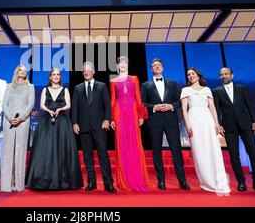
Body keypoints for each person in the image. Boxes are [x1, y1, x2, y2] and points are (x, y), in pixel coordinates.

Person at [26, 68, 83, 190]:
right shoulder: (45, 90)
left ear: (60, 77)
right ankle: (44, 180)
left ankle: (63, 180)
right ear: (50, 77)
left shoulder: (65, 90)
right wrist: (48, 110)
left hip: (62, 122)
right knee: (45, 150)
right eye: (54, 75)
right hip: (47, 122)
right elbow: (41, 105)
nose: (56, 76)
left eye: (58, 75)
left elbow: (69, 105)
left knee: (61, 149)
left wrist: (60, 109)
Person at [213, 67, 255, 193]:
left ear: (232, 75)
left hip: (246, 124)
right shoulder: (216, 91)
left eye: (226, 74)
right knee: (234, 155)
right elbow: (216, 110)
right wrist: (219, 124)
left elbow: (249, 105)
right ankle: (241, 182)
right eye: (221, 74)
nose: (223, 76)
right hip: (229, 126)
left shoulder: (242, 88)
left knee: (253, 152)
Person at [141, 58, 190, 191]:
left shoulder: (172, 83)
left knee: (176, 151)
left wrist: (171, 106)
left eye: (159, 65)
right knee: (156, 152)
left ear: (162, 68)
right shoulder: (146, 85)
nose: (157, 67)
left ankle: (182, 180)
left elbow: (178, 101)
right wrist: (155, 107)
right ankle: (161, 181)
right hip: (154, 121)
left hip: (171, 120)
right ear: (151, 69)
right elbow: (142, 103)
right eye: (154, 66)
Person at [180, 68, 230, 194]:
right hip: (193, 120)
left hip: (207, 119)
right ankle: (205, 182)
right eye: (188, 75)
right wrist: (188, 125)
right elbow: (184, 110)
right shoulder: (185, 90)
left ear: (198, 75)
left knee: (212, 149)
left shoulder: (207, 89)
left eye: (193, 74)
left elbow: (212, 107)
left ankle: (217, 181)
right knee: (199, 151)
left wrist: (216, 123)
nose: (191, 76)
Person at [72, 62, 117, 193]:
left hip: (100, 126)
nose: (86, 72)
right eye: (84, 70)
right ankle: (91, 182)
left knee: (103, 155)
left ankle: (108, 183)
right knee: (87, 156)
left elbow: (107, 105)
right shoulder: (78, 88)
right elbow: (74, 108)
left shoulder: (102, 86)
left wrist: (107, 120)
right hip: (84, 127)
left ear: (93, 71)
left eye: (88, 70)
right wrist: (74, 123)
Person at [110, 56, 151, 192]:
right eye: (120, 63)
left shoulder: (134, 78)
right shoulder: (113, 80)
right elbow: (112, 101)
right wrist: (111, 118)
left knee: (134, 143)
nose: (122, 65)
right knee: (122, 144)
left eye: (124, 62)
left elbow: (138, 97)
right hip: (119, 112)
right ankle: (124, 179)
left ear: (128, 65)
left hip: (133, 112)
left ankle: (137, 177)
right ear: (117, 66)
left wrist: (141, 114)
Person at [1, 64, 35, 192]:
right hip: (8, 121)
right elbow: (4, 103)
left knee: (20, 151)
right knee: (8, 150)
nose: (23, 72)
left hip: (23, 121)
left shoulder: (30, 87)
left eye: (25, 71)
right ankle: (6, 184)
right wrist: (10, 117)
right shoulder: (9, 86)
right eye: (21, 70)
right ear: (16, 72)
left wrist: (20, 118)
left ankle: (18, 183)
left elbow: (30, 104)